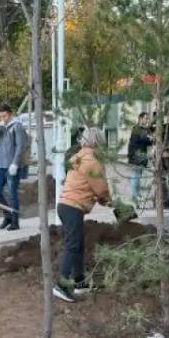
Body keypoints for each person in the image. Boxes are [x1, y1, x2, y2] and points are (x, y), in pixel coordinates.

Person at [54, 127, 111, 303]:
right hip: (73, 207)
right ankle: (61, 285)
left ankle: (80, 283)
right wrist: (109, 201)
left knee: (77, 245)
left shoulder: (79, 156)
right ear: (97, 142)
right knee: (73, 246)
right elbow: (100, 188)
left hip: (65, 205)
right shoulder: (93, 160)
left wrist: (103, 199)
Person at [0, 102, 28, 230]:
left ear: (10, 115)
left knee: (12, 193)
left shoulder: (17, 126)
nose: (3, 119)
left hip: (12, 166)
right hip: (0, 165)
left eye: (4, 116)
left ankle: (15, 222)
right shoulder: (0, 127)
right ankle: (7, 216)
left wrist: (15, 163)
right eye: (0, 117)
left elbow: (21, 146)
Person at [127, 112, 152, 204]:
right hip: (136, 157)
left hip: (142, 157)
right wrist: (149, 137)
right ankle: (136, 196)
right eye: (146, 118)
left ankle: (136, 195)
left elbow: (149, 142)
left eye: (148, 118)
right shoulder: (137, 129)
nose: (147, 120)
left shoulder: (144, 130)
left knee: (138, 176)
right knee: (136, 176)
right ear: (140, 119)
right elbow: (143, 140)